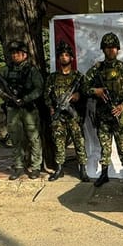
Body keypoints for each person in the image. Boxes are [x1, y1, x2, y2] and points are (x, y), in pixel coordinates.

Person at [86, 32, 123, 187]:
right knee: (105, 147)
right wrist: (96, 91)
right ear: (103, 49)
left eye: (113, 47)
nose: (110, 50)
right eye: (107, 48)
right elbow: (83, 87)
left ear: (118, 49)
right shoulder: (96, 70)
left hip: (119, 114)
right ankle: (104, 174)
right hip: (103, 115)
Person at [0, 40, 43, 180]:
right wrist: (6, 96)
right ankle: (19, 166)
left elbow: (39, 89)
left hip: (28, 109)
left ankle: (36, 166)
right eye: (13, 53)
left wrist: (25, 99)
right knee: (15, 138)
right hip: (13, 109)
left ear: (25, 55)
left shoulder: (32, 70)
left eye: (18, 53)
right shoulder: (6, 70)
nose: (15, 56)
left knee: (34, 138)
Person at [45, 41, 90, 182]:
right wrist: (52, 108)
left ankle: (83, 169)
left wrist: (78, 96)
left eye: (67, 55)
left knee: (79, 142)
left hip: (73, 116)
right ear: (58, 59)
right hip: (59, 116)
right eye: (61, 56)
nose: (64, 58)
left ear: (71, 58)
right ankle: (59, 169)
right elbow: (46, 95)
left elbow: (87, 93)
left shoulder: (78, 77)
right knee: (59, 143)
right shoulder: (52, 77)